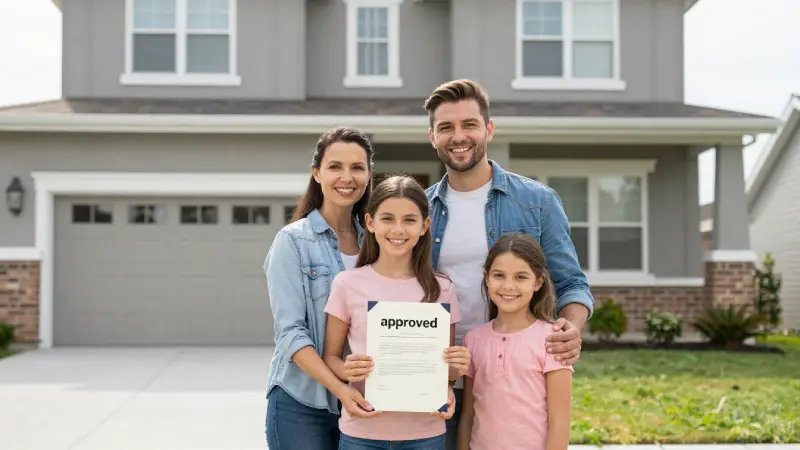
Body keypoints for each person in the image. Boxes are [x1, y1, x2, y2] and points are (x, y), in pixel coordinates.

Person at [422, 78, 593, 449]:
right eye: (446, 127)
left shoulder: (537, 201)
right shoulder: (419, 211)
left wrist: (571, 329)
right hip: (434, 373)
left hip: (513, 378)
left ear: (489, 129)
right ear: (432, 136)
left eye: (469, 124)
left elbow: (572, 283)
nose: (459, 136)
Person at [322, 175, 470, 450]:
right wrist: (347, 369)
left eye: (410, 220)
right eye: (387, 218)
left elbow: (446, 373)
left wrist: (455, 371)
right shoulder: (347, 284)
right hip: (362, 431)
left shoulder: (443, 289)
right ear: (370, 222)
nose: (398, 229)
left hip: (425, 433)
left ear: (425, 226)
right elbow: (330, 357)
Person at [264, 126, 380, 450]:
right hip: (301, 403)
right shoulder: (293, 241)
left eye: (357, 167)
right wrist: (341, 389)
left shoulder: (377, 242)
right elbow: (290, 334)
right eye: (335, 166)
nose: (347, 177)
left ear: (369, 175)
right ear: (316, 173)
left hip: (365, 400)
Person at [457, 233, 573, 450]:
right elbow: (467, 416)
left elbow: (560, 422)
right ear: (486, 278)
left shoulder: (552, 340)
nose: (508, 286)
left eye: (521, 277)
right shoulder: (473, 340)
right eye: (499, 275)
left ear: (538, 282)